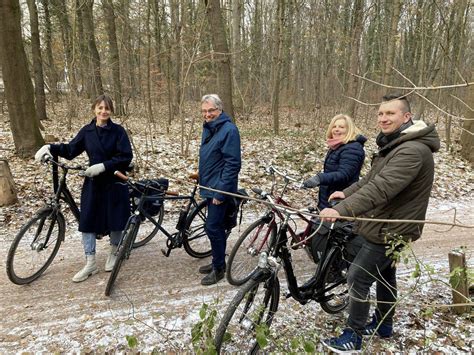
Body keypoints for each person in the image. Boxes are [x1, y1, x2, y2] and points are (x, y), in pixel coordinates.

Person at [319, 94, 440, 352]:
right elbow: (372, 181)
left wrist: (340, 210)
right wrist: (347, 193)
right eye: (380, 114)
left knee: (358, 277)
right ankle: (384, 325)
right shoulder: (396, 144)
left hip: (391, 228)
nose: (383, 118)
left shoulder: (412, 150)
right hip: (383, 222)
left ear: (406, 117)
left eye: (390, 114)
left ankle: (353, 336)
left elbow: (382, 189)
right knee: (385, 276)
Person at [35, 94, 133, 283]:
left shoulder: (118, 131)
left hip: (114, 180)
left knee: (115, 219)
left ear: (111, 111)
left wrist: (104, 166)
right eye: (100, 108)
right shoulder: (87, 131)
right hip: (94, 183)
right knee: (87, 220)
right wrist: (49, 147)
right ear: (94, 109)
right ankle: (90, 263)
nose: (103, 111)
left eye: (107, 108)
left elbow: (125, 157)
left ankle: (113, 252)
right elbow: (70, 150)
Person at [197, 94, 241, 286]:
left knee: (213, 227)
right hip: (209, 184)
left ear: (219, 110)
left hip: (219, 188)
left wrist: (221, 192)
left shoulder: (229, 130)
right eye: (205, 111)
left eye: (211, 111)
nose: (207, 114)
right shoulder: (210, 128)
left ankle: (219, 269)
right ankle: (218, 259)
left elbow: (232, 164)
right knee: (215, 226)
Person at [303, 114, 366, 210]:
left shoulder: (353, 148)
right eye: (334, 126)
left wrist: (319, 178)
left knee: (324, 225)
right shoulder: (337, 146)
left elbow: (344, 174)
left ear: (349, 130)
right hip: (328, 197)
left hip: (339, 201)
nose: (336, 129)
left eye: (341, 127)